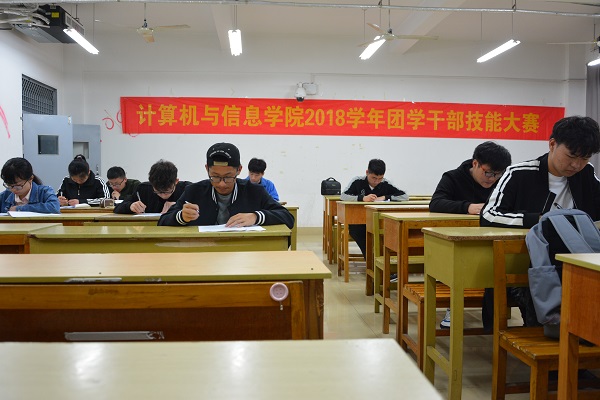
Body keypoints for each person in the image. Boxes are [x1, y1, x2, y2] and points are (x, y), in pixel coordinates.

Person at [481, 115, 600, 328]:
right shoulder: (519, 174)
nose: (576, 165)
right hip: (526, 261)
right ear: (552, 144)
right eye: (571, 156)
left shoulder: (586, 174)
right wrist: (538, 220)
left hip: (574, 264)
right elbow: (488, 215)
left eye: (585, 158)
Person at [429, 141, 512, 328]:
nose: (492, 179)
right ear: (475, 163)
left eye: (498, 174)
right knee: (459, 263)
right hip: (457, 239)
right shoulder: (452, 177)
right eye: (488, 173)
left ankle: (497, 313)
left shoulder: (503, 180)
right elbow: (436, 203)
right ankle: (453, 305)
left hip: (491, 238)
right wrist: (467, 207)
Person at [158, 142, 294, 229]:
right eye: (215, 176)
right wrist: (181, 217)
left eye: (228, 177)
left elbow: (287, 217)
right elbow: (162, 221)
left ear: (239, 170)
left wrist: (255, 217)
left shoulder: (255, 191)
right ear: (207, 169)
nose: (222, 184)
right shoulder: (193, 191)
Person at [340, 158, 408, 259]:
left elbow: (404, 196)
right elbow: (343, 196)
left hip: (378, 221)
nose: (376, 181)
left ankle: (382, 261)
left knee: (389, 231)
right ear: (367, 172)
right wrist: (362, 198)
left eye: (380, 178)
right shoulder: (357, 181)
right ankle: (371, 261)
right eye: (374, 178)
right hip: (358, 222)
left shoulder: (385, 183)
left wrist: (385, 197)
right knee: (360, 233)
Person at [114, 160, 190, 214]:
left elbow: (197, 208)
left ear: (176, 181)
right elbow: (118, 208)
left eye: (167, 192)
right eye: (158, 191)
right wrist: (130, 206)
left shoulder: (188, 189)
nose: (163, 196)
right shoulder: (144, 189)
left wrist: (179, 206)